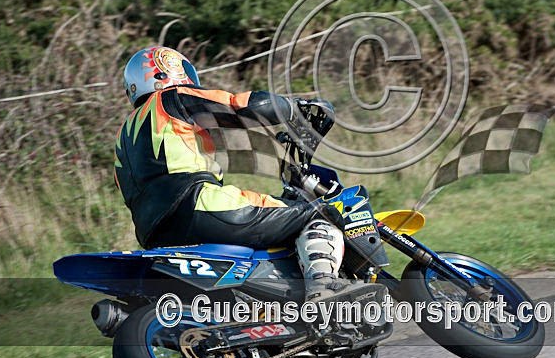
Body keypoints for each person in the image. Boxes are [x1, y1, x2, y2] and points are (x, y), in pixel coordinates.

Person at [114, 46, 382, 304]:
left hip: (153, 236)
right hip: (198, 206)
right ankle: (323, 286)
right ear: (165, 69)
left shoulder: (123, 137)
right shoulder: (172, 98)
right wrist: (292, 108)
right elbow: (240, 106)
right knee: (317, 213)